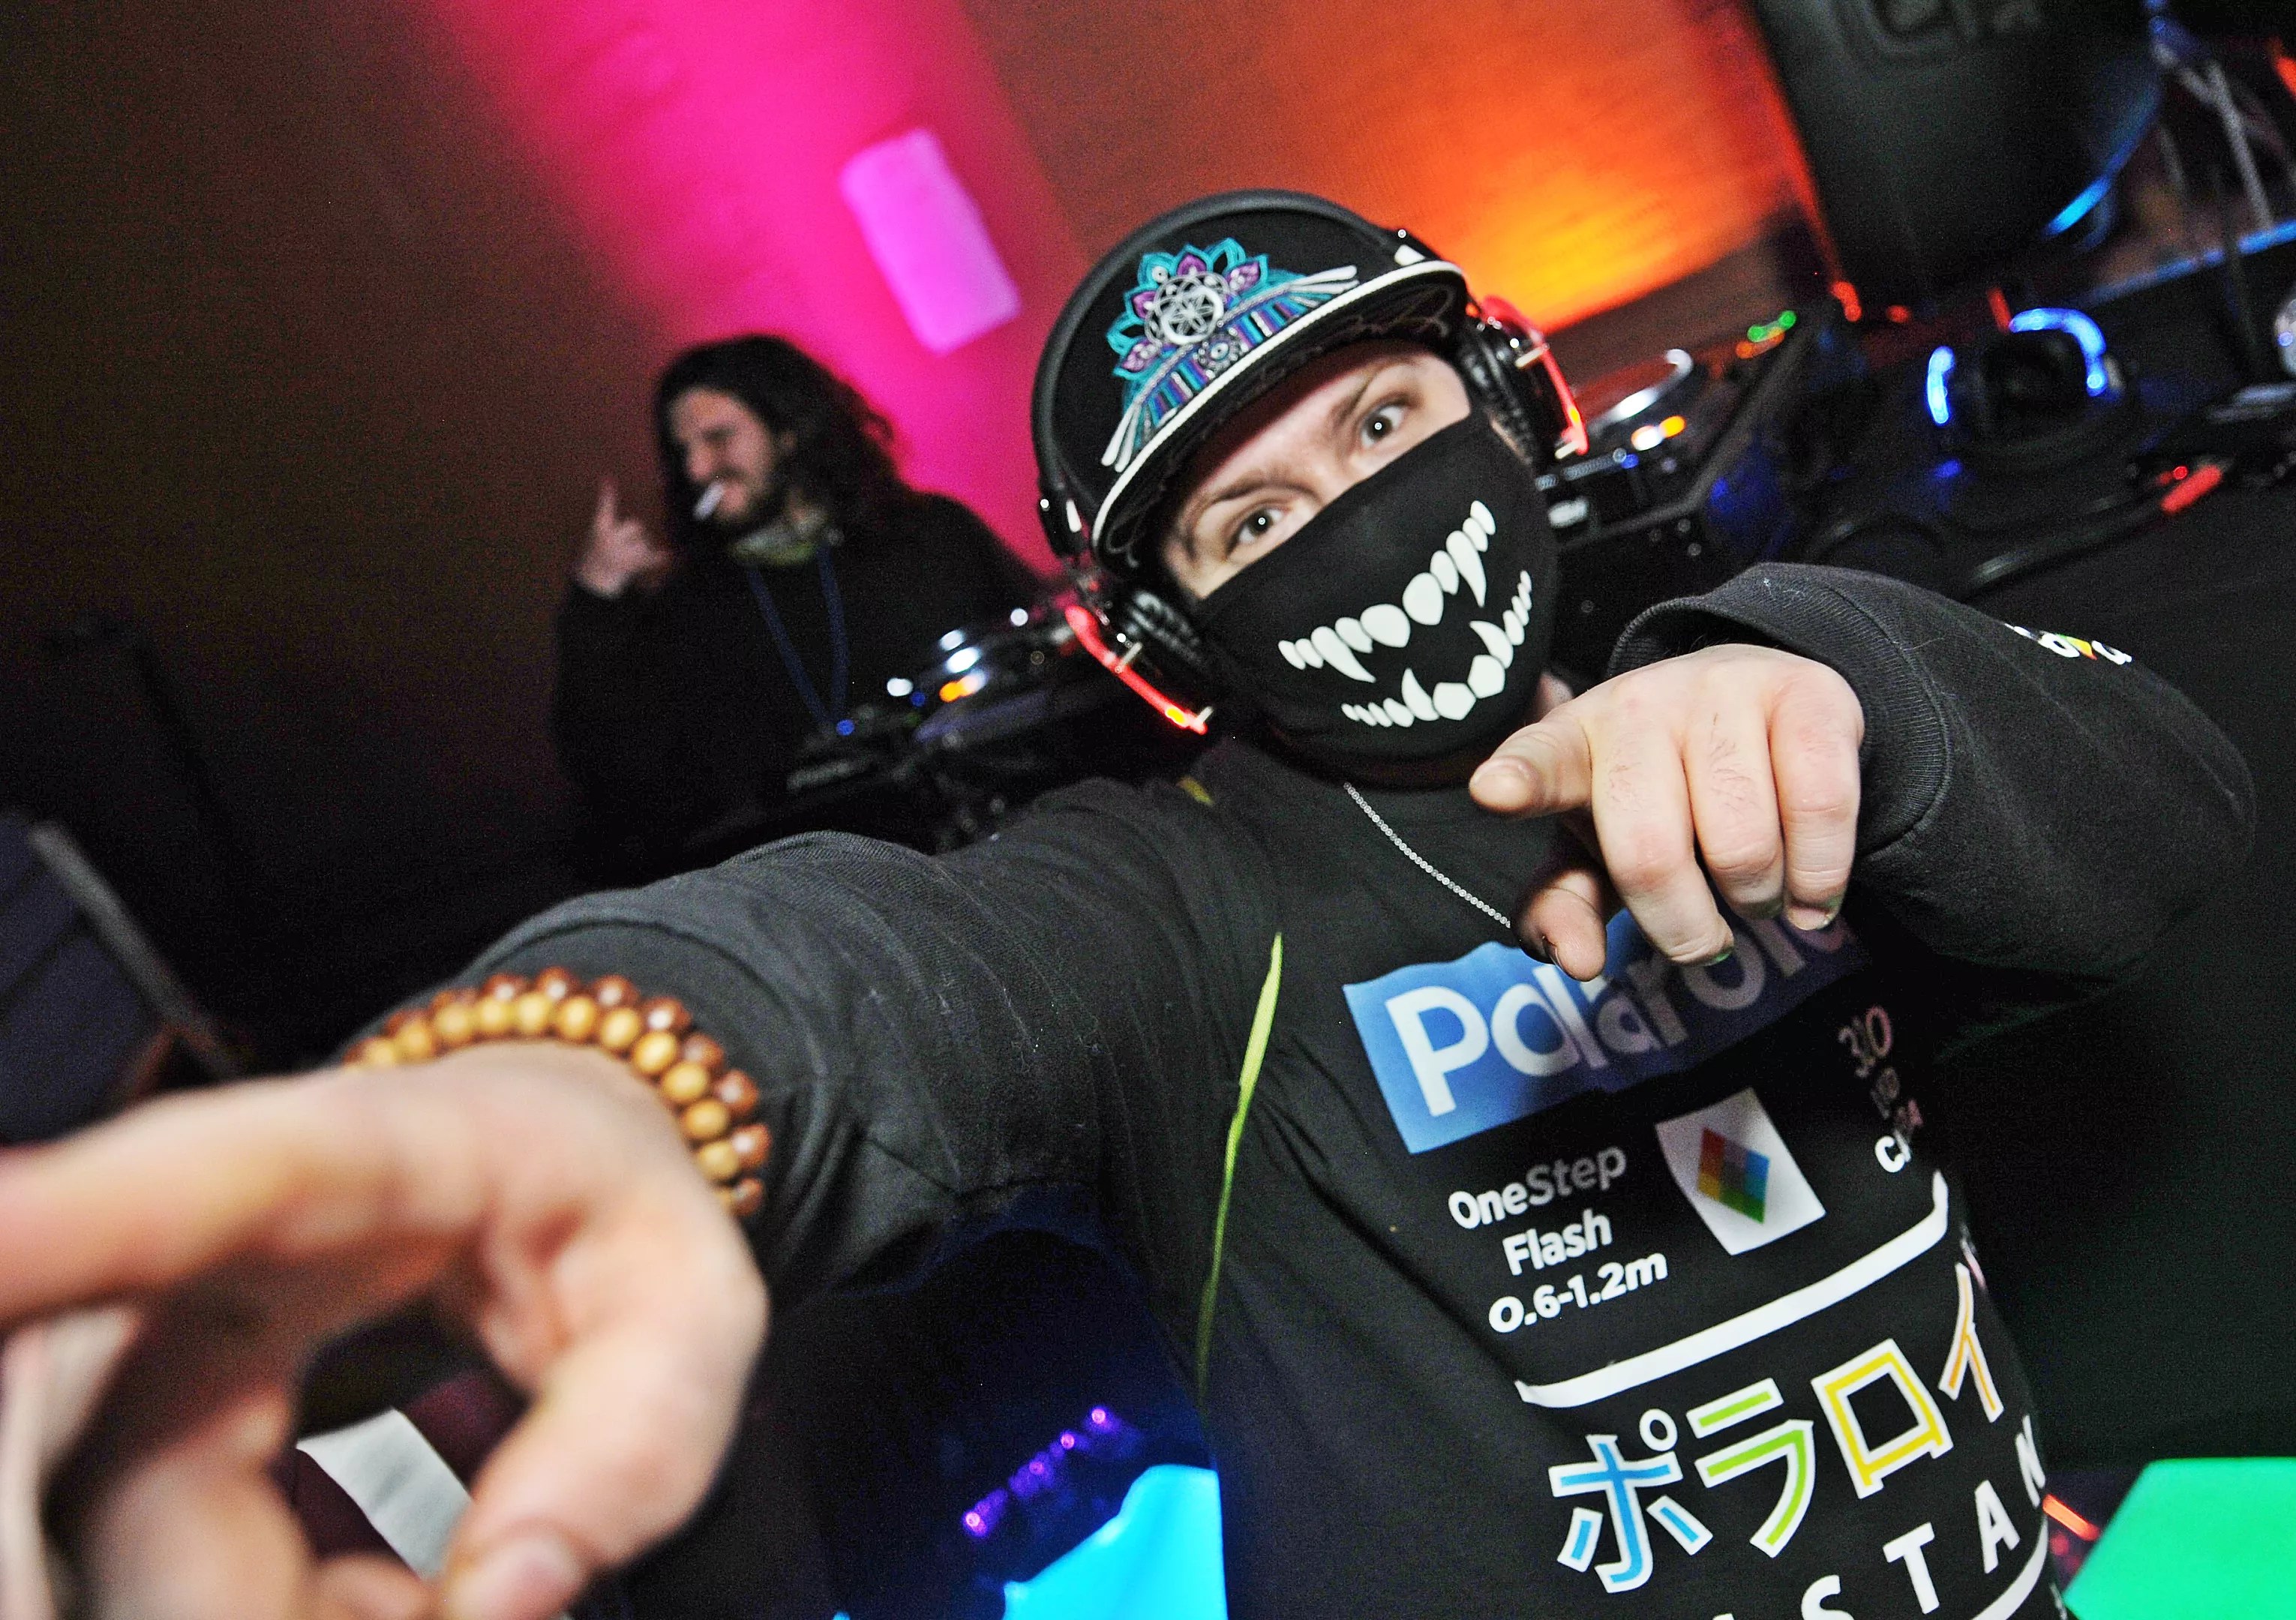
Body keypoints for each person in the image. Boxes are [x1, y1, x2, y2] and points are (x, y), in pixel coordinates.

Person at [0, 193, 2254, 1620]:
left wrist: (1840, 686)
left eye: (1382, 431)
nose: (1351, 523)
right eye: (1246, 523)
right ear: (1170, 640)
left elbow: (2168, 809)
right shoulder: (1169, 914)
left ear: (1511, 415)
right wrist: (594, 1078)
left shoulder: (1755, 717)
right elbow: (895, 976)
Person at [554, 335, 1038, 866]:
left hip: (1001, 852)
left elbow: (1043, 661)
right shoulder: (692, 610)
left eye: (718, 438)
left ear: (788, 432)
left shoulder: (929, 536)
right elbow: (619, 784)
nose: (697, 469)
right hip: (818, 891)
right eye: (683, 450)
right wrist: (596, 602)